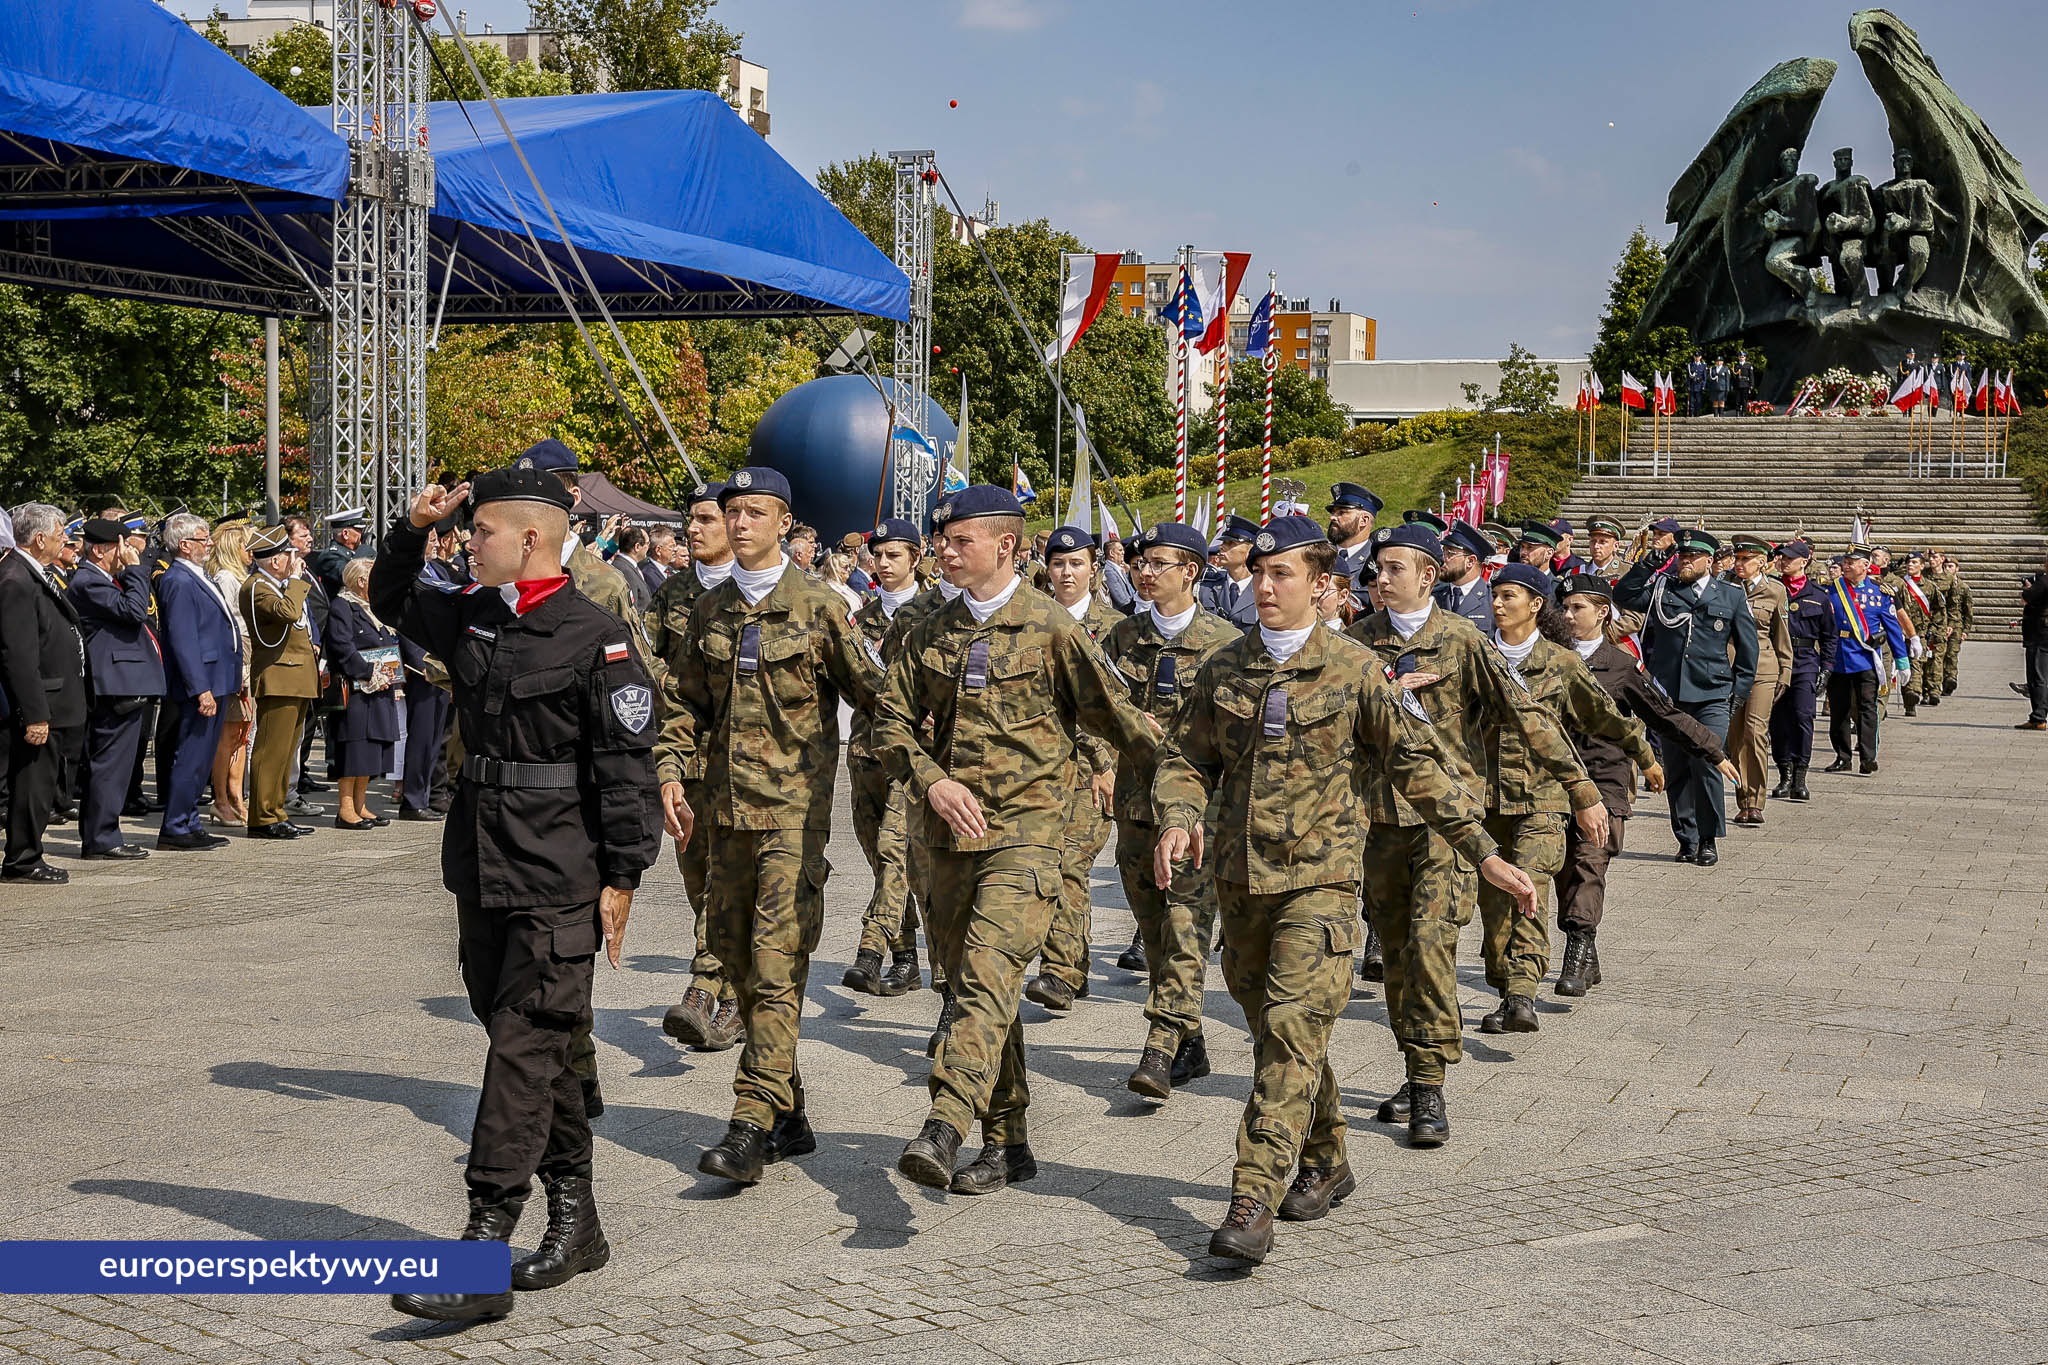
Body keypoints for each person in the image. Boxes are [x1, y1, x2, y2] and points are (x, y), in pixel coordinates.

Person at [1153, 514, 1539, 1264]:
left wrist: (1484, 852)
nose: (1265, 586)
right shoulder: (1224, 668)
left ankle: (1253, 1194)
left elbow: (1420, 767)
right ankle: (1328, 1158)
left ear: (1322, 584)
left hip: (1323, 885)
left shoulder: (1357, 671)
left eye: (1283, 574)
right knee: (1279, 1031)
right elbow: (1183, 758)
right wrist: (1177, 813)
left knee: (1291, 1030)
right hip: (1240, 884)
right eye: (1259, 574)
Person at [374, 469, 661, 1324]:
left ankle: (483, 1240)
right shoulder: (472, 611)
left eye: (482, 532)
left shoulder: (597, 637)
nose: (470, 544)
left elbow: (624, 770)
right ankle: (578, 1220)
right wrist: (408, 529)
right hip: (482, 865)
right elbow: (393, 597)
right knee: (536, 1042)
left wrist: (623, 878)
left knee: (524, 1045)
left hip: (561, 875)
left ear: (530, 538)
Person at [871, 485, 1156, 1199]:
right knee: (980, 987)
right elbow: (889, 723)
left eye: (958, 538)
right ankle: (1010, 1140)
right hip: (946, 842)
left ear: (1005, 545)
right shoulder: (928, 629)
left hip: (1027, 840)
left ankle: (945, 1120)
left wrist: (1182, 801)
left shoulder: (1054, 629)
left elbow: (1125, 724)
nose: (943, 548)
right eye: (941, 537)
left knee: (988, 973)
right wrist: (932, 779)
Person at [654, 467, 879, 1188]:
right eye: (733, 510)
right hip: (723, 815)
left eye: (754, 511)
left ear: (785, 522)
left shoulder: (821, 606)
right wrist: (669, 771)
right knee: (735, 958)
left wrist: (923, 767)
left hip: (792, 817)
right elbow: (684, 702)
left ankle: (750, 1120)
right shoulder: (709, 611)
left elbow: (874, 692)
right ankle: (790, 1111)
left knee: (777, 963)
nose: (739, 520)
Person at [1345, 524, 1603, 1144]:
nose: (1382, 578)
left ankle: (1429, 1084)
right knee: (1397, 955)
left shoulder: (1463, 643)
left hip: (1448, 828)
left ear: (1429, 575)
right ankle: (1416, 1062)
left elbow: (1528, 717)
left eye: (1395, 568)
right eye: (1377, 568)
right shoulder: (1355, 646)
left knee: (1431, 944)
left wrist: (1581, 788)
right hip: (1377, 822)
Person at [1473, 563, 1649, 1034]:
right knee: (1494, 909)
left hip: (1542, 800)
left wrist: (1646, 757)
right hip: (1486, 802)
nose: (1497, 603)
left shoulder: (1561, 663)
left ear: (1535, 605)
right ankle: (1506, 980)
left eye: (1509, 595)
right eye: (1494, 595)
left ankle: (1521, 994)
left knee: (1529, 892)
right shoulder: (1474, 657)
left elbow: (1606, 718)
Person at [1098, 522, 1238, 1101]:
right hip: (1134, 806)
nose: (1145, 571)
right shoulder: (1120, 639)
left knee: (1185, 924)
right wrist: (1102, 759)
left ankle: (1159, 1045)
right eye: (1141, 563)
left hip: (1199, 812)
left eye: (1159, 562)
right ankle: (1191, 1036)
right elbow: (1092, 708)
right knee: (1155, 930)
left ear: (1192, 571)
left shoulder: (1225, 644)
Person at [1553, 574, 1736, 995]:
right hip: (1553, 779)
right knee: (1564, 871)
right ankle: (1588, 945)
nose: (1567, 614)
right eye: (1564, 607)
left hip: (1604, 779)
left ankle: (1577, 950)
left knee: (1589, 861)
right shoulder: (1548, 657)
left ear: (1602, 612)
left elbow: (1664, 715)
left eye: (1577, 607)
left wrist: (1713, 750)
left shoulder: (1619, 665)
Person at [645, 482, 742, 1052]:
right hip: (685, 764)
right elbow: (645, 659)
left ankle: (708, 991)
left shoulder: (750, 594)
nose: (693, 528)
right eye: (691, 519)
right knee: (699, 882)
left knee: (727, 886)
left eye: (706, 518)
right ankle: (731, 989)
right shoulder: (673, 593)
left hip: (742, 771)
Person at [1612, 528, 1757, 865]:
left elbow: (1748, 652)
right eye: (1682, 555)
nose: (1686, 561)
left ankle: (1709, 838)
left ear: (1710, 560)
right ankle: (1687, 837)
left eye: (1693, 556)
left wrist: (1738, 693)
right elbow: (1623, 595)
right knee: (1676, 768)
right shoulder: (1664, 588)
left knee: (1707, 759)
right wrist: (1647, 566)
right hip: (1669, 695)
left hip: (1712, 693)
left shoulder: (1731, 595)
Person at [1026, 525, 1124, 1012]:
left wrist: (1108, 765)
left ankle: (1059, 970)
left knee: (1070, 863)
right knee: (1048, 866)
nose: (1066, 573)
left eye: (1076, 564)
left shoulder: (1117, 630)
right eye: (1058, 563)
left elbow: (1115, 707)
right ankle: (1073, 962)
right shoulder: (1028, 620)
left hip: (1092, 769)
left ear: (1094, 569)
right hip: (1036, 767)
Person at [842, 518, 931, 999]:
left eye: (893, 554)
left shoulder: (933, 612)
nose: (882, 563)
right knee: (881, 857)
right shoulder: (863, 617)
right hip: (865, 753)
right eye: (876, 555)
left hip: (913, 753)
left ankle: (871, 947)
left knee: (896, 851)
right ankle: (905, 957)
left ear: (916, 558)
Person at [66, 517, 164, 861]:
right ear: (100, 550)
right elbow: (133, 611)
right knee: (110, 763)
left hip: (123, 680)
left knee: (117, 764)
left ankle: (103, 833)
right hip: (113, 684)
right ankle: (102, 838)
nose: (127, 552)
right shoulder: (88, 580)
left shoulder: (104, 577)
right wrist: (136, 570)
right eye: (120, 547)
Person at [0, 504, 88, 884]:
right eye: (59, 535)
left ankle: (27, 852)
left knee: (42, 783)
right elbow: (17, 654)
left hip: (56, 697)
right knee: (32, 785)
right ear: (39, 539)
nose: (64, 541)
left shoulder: (33, 573)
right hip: (41, 704)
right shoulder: (15, 579)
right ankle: (22, 859)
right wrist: (35, 713)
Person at [153, 514, 240, 852]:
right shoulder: (178, 579)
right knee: (191, 755)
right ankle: (175, 825)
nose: (210, 544)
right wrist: (200, 687)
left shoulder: (196, 575)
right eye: (204, 539)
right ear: (185, 545)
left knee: (202, 757)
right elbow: (184, 639)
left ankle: (189, 820)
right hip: (201, 683)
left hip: (216, 677)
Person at [241, 525, 321, 841]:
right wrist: (298, 582)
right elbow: (288, 613)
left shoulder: (277, 584)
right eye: (289, 554)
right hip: (279, 675)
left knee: (287, 752)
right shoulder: (257, 586)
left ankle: (276, 812)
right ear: (275, 560)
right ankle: (261, 816)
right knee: (270, 751)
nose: (294, 559)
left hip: (296, 676)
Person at [325, 558, 401, 830]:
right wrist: (370, 672)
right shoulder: (342, 606)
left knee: (371, 751)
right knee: (354, 749)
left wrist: (392, 675)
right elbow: (342, 647)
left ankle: (361, 805)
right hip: (357, 690)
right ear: (360, 581)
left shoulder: (374, 609)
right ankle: (345, 809)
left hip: (379, 689)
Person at [1823, 545, 1909, 774]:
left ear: (1865, 566)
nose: (1846, 566)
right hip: (1839, 657)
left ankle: (1868, 757)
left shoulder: (1880, 593)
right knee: (1839, 711)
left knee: (1867, 708)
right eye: (1845, 562)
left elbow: (1893, 629)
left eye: (1852, 562)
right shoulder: (1832, 591)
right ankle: (1843, 756)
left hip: (1866, 658)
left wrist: (1902, 660)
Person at [1724, 535, 1791, 826]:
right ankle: (1742, 800)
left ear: (1761, 562)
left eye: (1746, 560)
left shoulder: (1774, 590)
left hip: (1764, 668)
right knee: (1736, 736)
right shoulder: (1724, 587)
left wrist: (1785, 671)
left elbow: (1781, 634)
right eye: (1737, 559)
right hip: (1730, 669)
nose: (1739, 564)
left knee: (1755, 731)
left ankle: (1755, 801)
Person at [1768, 540, 1836, 802]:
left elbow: (1829, 637)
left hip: (1805, 663)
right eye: (1782, 558)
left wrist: (1826, 669)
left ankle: (1800, 776)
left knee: (1803, 717)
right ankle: (1784, 774)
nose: (1783, 561)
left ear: (1804, 561)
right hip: (1774, 662)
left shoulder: (1819, 596)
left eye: (1789, 558)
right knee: (1778, 722)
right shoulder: (1772, 589)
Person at [204, 522, 254, 827]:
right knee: (228, 733)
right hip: (236, 659)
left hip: (249, 655)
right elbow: (225, 626)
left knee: (242, 734)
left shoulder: (242, 577)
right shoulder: (225, 577)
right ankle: (220, 799)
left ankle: (237, 795)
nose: (251, 552)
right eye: (246, 546)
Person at [283, 516, 333, 804]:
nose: (309, 539)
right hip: (296, 656)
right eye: (302, 535)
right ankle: (289, 783)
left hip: (316, 652)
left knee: (310, 718)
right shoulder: (289, 573)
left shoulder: (308, 566)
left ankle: (299, 773)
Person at [1889, 550, 1942, 715]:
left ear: (1922, 565)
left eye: (1914, 563)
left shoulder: (1930, 587)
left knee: (1916, 663)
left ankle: (1913, 694)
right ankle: (1908, 699)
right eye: (1908, 563)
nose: (1910, 565)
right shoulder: (1899, 584)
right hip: (1899, 632)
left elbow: (1939, 610)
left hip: (1920, 633)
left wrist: (1936, 630)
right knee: (1900, 664)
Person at [1196, 516, 1261, 628]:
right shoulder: (1205, 587)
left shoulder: (1262, 589)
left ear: (1249, 551)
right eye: (1223, 542)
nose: (1221, 547)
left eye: (1230, 543)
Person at [1325, 483, 1383, 604]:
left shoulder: (1377, 559)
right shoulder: (1321, 555)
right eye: (1333, 512)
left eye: (1341, 512)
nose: (1332, 517)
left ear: (1364, 520)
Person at [1433, 521, 1495, 630]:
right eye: (1443, 552)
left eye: (1450, 554)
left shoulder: (1492, 600)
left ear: (1470, 561)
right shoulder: (1433, 596)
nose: (1442, 559)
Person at [1928, 548, 1972, 700]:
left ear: (1957, 568)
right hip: (1939, 621)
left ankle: (1950, 678)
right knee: (1938, 654)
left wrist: (1965, 629)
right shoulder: (1932, 578)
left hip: (1955, 623)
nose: (1948, 568)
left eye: (1951, 566)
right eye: (1946, 566)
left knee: (1951, 654)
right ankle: (1939, 682)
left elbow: (1967, 611)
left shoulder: (1963, 587)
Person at [2016, 552, 2048, 731]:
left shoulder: (2044, 581)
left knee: (2038, 677)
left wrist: (2028, 588)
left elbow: (2025, 598)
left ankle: (2039, 717)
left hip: (2040, 635)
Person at [609, 527, 654, 620]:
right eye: (647, 543)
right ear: (637, 547)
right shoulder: (624, 569)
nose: (648, 547)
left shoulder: (629, 567)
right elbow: (630, 611)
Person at [1731, 350, 1755, 414]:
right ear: (1738, 357)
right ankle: (1737, 411)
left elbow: (1751, 376)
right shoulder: (1736, 365)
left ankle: (1744, 411)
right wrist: (1733, 385)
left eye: (1742, 357)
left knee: (1744, 399)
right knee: (1737, 399)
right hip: (1738, 384)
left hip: (1745, 384)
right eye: (1740, 357)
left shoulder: (1748, 365)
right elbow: (1734, 377)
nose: (1741, 358)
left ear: (1745, 357)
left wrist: (1751, 385)